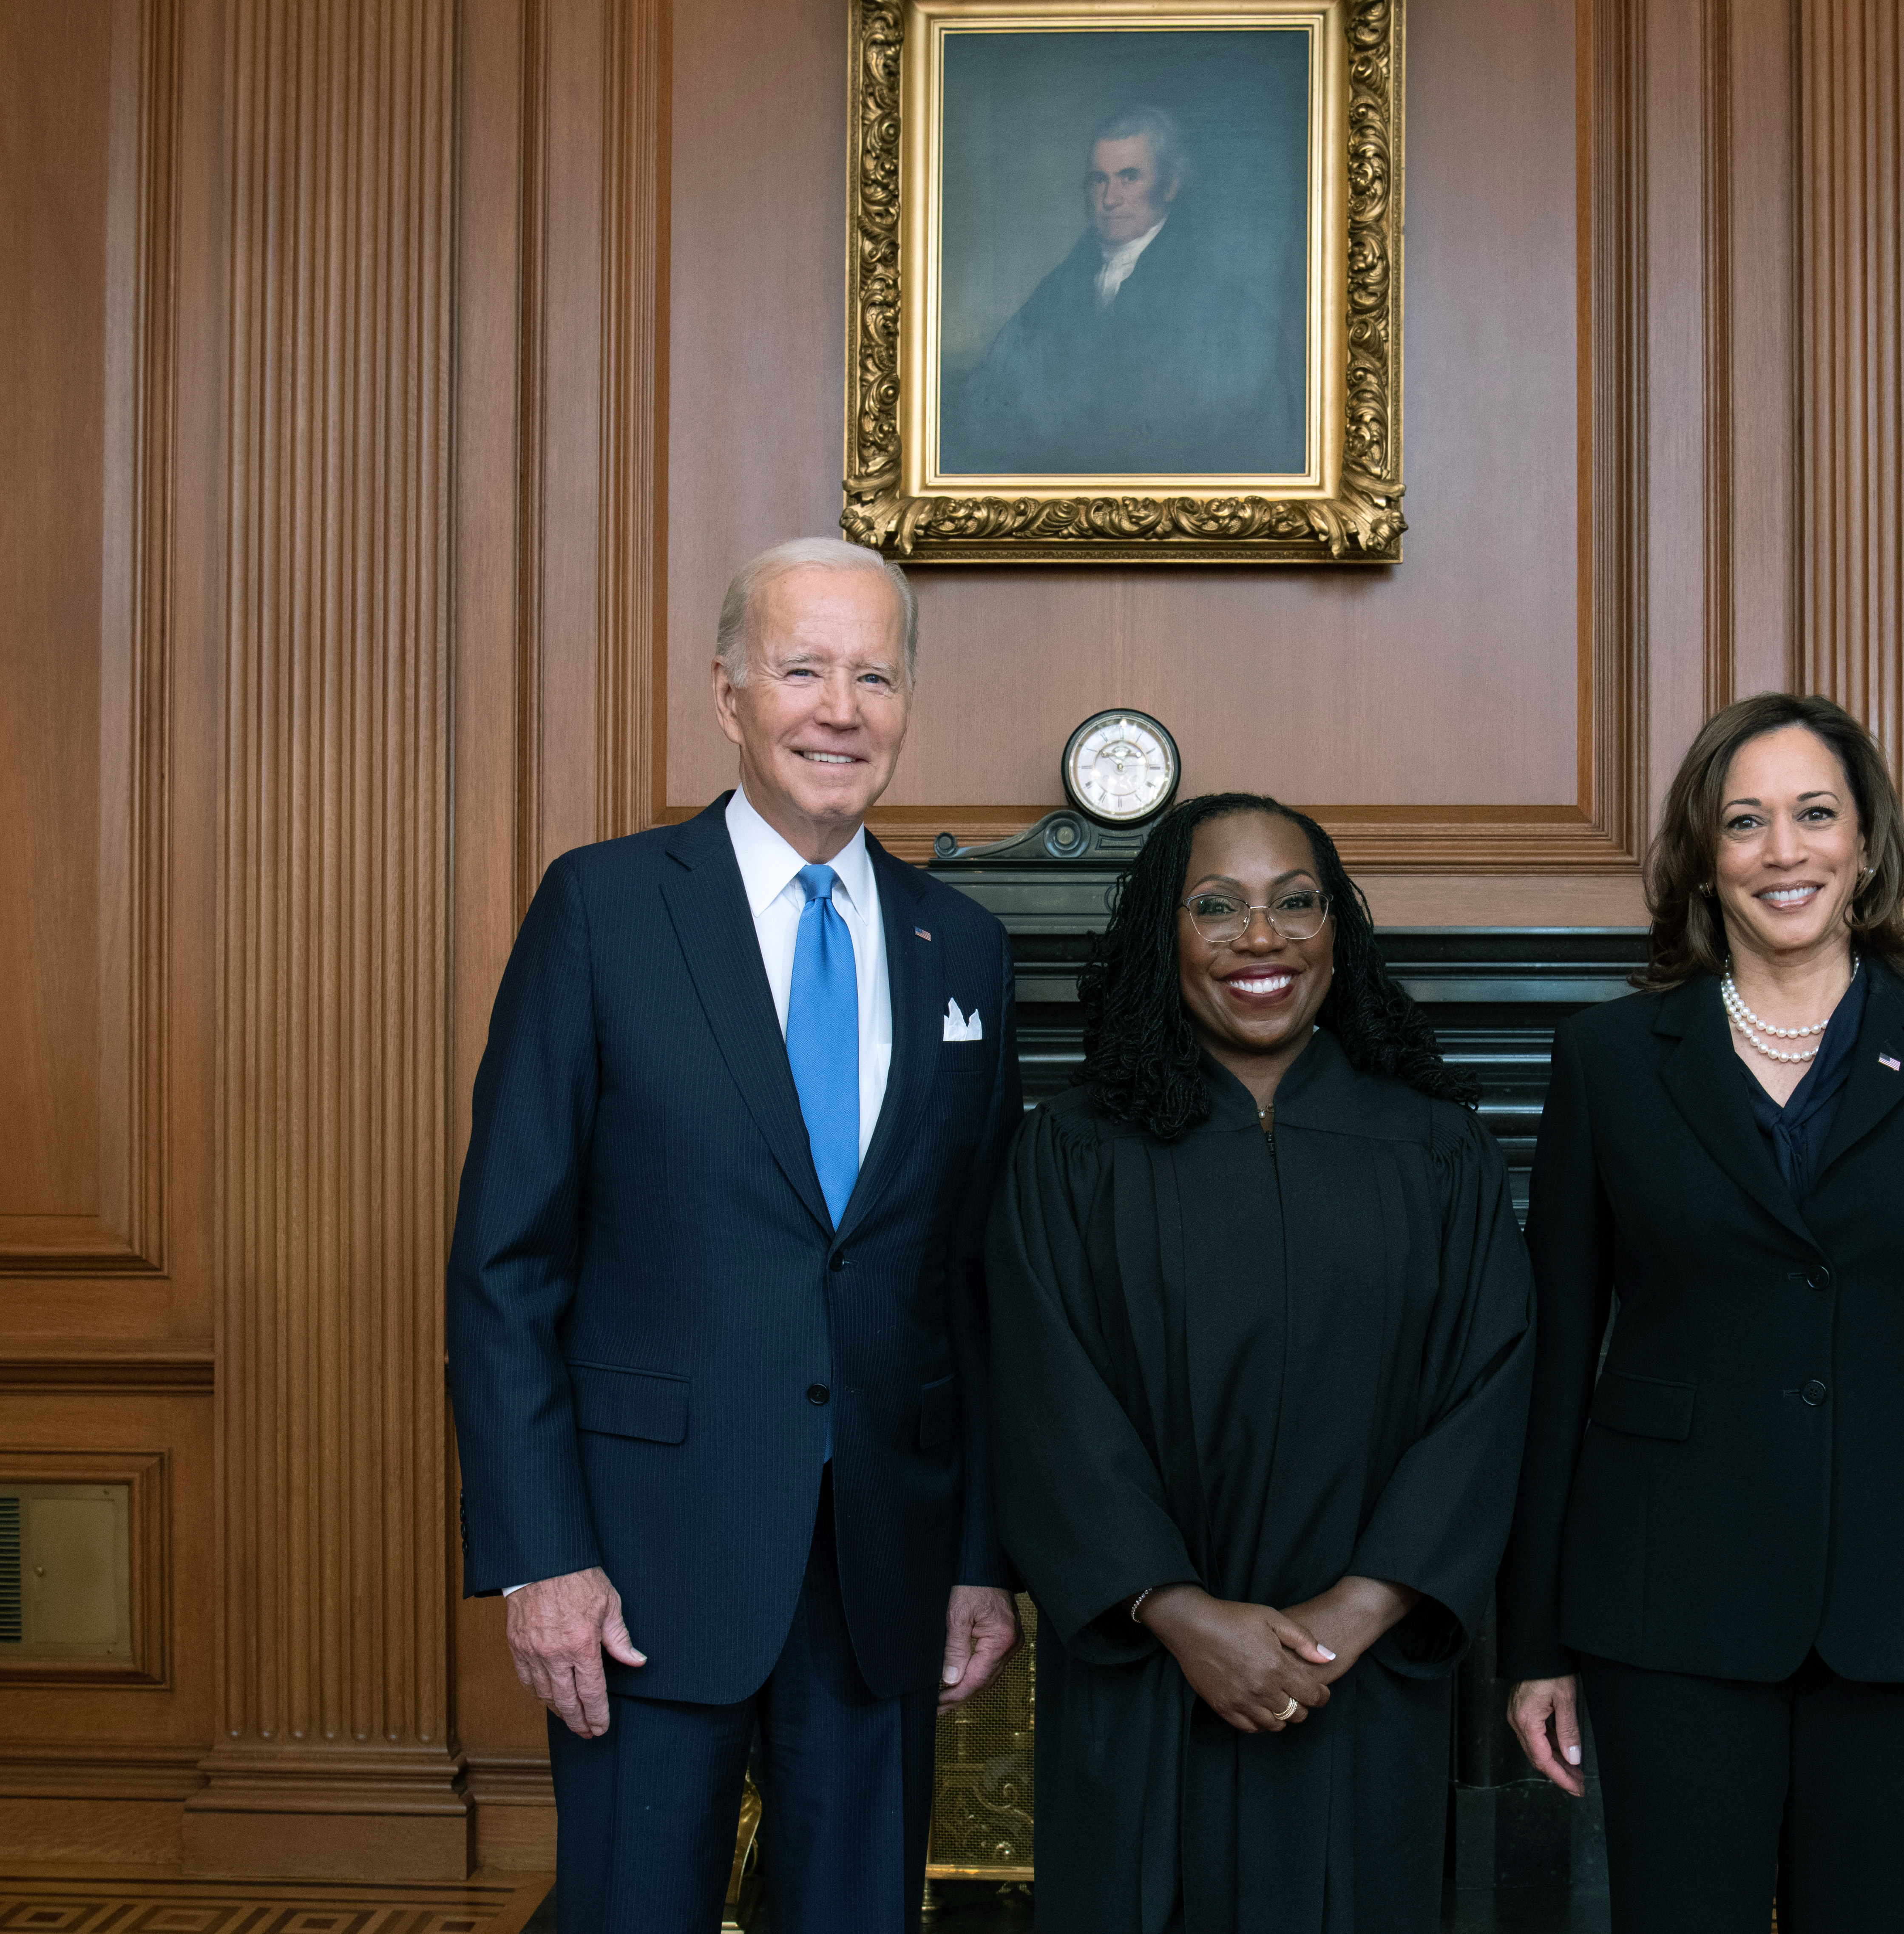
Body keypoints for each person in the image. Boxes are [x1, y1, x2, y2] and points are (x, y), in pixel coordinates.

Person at [446, 537, 1024, 1934]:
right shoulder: (603, 906)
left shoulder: (966, 944)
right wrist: (542, 1553)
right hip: (640, 1564)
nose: (841, 707)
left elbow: (975, 1285)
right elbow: (505, 1261)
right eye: (803, 667)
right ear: (727, 694)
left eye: (874, 674)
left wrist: (977, 1553)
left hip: (880, 1566)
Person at [1496, 693, 1904, 1933]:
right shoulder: (1607, 1059)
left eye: (1813, 815)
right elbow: (1550, 1365)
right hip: (1665, 1597)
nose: (1781, 850)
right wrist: (1532, 1639)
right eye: (1743, 821)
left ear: (1865, 844)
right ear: (1704, 856)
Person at [986, 795, 1535, 1932]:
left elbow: (1489, 1391)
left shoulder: (1435, 1152)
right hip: (1145, 1675)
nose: (1261, 936)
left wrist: (1357, 1608)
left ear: (1338, 928)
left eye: (1295, 901)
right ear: (1161, 934)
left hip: (1362, 1677)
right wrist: (1178, 1611)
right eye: (1215, 905)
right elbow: (1045, 1398)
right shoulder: (1074, 1151)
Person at [947, 105, 1303, 476]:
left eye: (1128, 177)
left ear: (1170, 185)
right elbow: (988, 399)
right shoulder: (1057, 290)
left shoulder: (1221, 306)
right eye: (1099, 180)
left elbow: (1240, 435)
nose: (1110, 199)